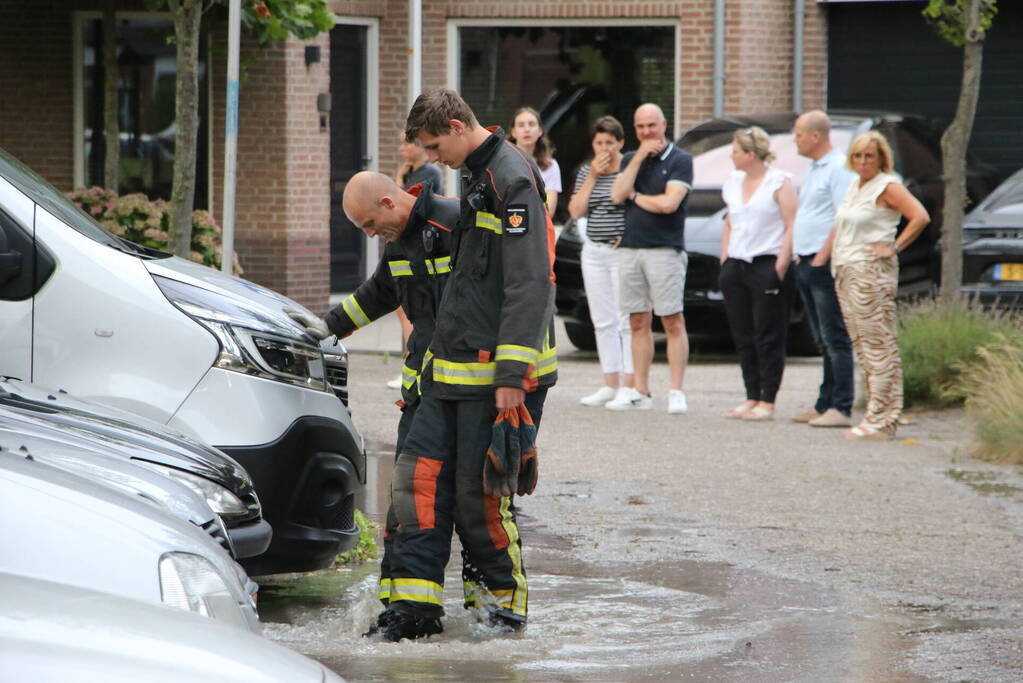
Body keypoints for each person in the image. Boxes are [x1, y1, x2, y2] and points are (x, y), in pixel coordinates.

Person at [374, 88, 557, 641]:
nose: (433, 160)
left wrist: (510, 376)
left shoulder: (512, 178)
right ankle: (412, 614)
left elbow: (529, 282)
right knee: (417, 487)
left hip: (495, 376)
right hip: (449, 372)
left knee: (479, 501)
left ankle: (500, 613)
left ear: (457, 126)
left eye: (434, 147)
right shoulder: (480, 174)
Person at [283, 171, 458, 607]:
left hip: (469, 385)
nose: (369, 235)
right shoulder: (398, 245)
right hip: (425, 386)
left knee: (467, 501)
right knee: (409, 496)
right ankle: (406, 609)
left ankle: (485, 614)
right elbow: (377, 294)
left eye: (367, 224)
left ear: (385, 201)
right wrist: (327, 326)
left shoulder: (457, 223)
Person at [814, 131, 930, 440]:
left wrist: (893, 248)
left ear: (881, 159)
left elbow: (919, 216)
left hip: (870, 274)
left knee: (879, 347)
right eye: (858, 156)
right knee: (864, 347)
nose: (863, 162)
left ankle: (882, 418)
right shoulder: (855, 185)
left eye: (870, 156)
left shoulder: (888, 186)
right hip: (846, 271)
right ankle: (879, 415)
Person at [607, 103, 691, 414]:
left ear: (664, 124)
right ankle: (640, 389)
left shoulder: (681, 160)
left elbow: (670, 203)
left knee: (671, 319)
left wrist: (637, 197)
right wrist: (639, 157)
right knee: (637, 320)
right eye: (640, 127)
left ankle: (677, 390)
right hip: (631, 249)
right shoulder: (631, 158)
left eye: (651, 126)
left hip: (664, 249)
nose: (646, 132)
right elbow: (617, 194)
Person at [718, 127, 798, 421]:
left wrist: (780, 264)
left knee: (768, 335)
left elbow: (792, 223)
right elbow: (729, 220)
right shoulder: (734, 181)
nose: (731, 155)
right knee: (743, 335)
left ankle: (768, 399)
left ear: (750, 154)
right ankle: (751, 396)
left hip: (767, 263)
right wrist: (724, 256)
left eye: (735, 150)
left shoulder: (780, 183)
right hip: (736, 264)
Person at [790, 111, 856, 428]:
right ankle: (823, 402)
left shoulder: (838, 168)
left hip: (822, 261)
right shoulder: (815, 169)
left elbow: (842, 215)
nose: (795, 139)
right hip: (805, 258)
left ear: (815, 136)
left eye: (799, 134)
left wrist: (822, 254)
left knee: (834, 335)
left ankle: (841, 406)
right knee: (820, 338)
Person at [568, 115, 635, 406]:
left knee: (626, 319)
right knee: (602, 319)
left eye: (610, 142)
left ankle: (630, 384)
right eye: (599, 142)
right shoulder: (586, 172)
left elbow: (636, 205)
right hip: (593, 250)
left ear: (620, 142)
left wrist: (630, 235)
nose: (604, 148)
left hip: (621, 251)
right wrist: (593, 176)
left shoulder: (630, 168)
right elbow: (576, 211)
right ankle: (610, 381)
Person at [385, 134, 443, 389]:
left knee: (410, 310)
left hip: (418, 248)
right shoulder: (414, 171)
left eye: (405, 143)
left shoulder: (429, 172)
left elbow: (404, 202)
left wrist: (398, 178)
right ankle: (410, 361)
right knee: (403, 308)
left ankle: (413, 362)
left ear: (418, 146)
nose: (401, 149)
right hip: (408, 246)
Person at [509, 106, 561, 216]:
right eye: (521, 125)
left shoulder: (551, 165)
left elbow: (549, 211)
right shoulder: (503, 162)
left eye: (531, 124)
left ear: (540, 131)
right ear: (513, 132)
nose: (527, 129)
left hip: (539, 226)